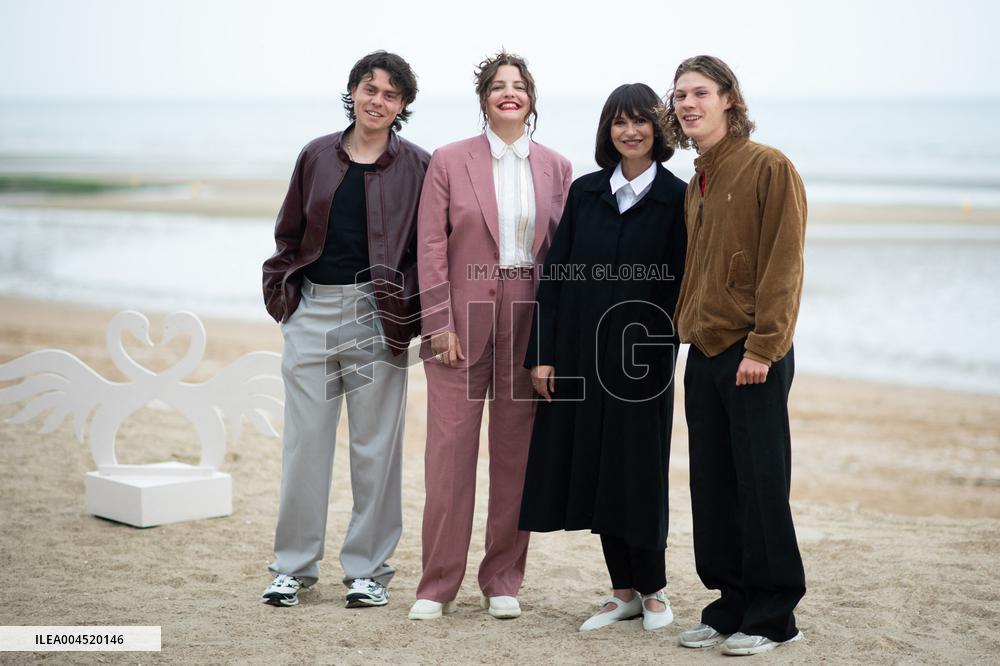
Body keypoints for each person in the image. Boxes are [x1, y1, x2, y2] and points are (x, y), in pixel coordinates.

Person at [260, 50, 430, 609]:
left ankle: (368, 571)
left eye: (390, 93)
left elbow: (429, 248)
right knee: (304, 446)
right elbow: (288, 233)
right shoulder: (316, 155)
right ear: (352, 91)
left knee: (374, 448)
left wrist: (412, 311)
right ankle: (293, 567)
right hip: (311, 310)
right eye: (368, 88)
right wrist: (284, 295)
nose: (377, 100)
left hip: (378, 314)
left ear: (403, 104)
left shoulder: (418, 166)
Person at [517, 84, 687, 633]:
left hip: (643, 362)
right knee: (596, 470)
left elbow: (686, 282)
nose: (630, 131)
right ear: (607, 130)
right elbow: (557, 276)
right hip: (582, 357)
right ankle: (622, 592)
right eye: (619, 121)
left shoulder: (678, 198)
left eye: (640, 122)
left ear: (658, 131)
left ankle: (655, 591)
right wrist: (542, 356)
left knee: (639, 471)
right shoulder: (587, 192)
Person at [410, 51, 572, 621]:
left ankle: (502, 578)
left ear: (531, 99)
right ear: (484, 99)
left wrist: (553, 344)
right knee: (449, 457)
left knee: (516, 458)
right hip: (461, 320)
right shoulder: (450, 161)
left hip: (528, 318)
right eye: (498, 86)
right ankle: (436, 585)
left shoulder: (556, 166)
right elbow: (430, 245)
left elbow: (562, 260)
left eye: (519, 86)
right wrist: (438, 323)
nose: (509, 94)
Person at [663, 55, 807, 656]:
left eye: (700, 93)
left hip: (752, 355)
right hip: (705, 354)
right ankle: (730, 605)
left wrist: (765, 347)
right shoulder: (699, 177)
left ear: (729, 99)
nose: (688, 104)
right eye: (679, 96)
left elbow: (784, 263)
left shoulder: (768, 166)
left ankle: (774, 616)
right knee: (714, 486)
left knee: (760, 484)